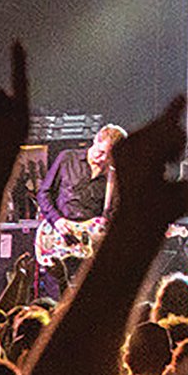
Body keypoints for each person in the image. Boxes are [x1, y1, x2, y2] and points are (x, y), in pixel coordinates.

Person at [34, 124, 124, 291]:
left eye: (109, 155)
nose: (103, 158)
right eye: (101, 152)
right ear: (95, 140)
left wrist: (106, 223)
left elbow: (114, 214)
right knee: (56, 296)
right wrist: (57, 220)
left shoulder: (114, 178)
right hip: (58, 238)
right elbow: (43, 194)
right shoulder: (67, 158)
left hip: (88, 248)